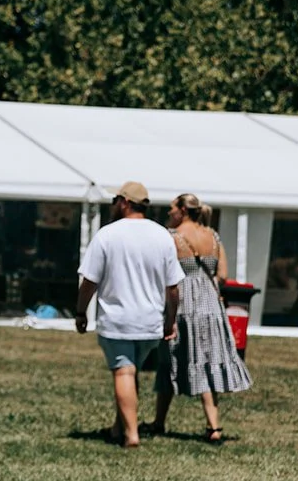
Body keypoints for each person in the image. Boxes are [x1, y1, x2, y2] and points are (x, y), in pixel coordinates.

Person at [74, 182, 184, 448]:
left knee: (123, 372)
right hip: (149, 320)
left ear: (124, 201)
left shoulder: (107, 235)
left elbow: (90, 280)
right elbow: (173, 288)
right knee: (130, 371)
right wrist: (170, 320)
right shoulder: (162, 236)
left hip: (118, 318)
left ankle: (131, 434)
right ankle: (118, 427)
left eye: (115, 200)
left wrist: (80, 311)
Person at [150, 193, 251, 442]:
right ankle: (213, 426)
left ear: (183, 210)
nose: (169, 213)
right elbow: (223, 274)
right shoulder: (213, 236)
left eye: (172, 209)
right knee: (207, 360)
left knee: (170, 360)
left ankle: (159, 421)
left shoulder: (171, 237)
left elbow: (164, 273)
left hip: (183, 303)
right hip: (211, 304)